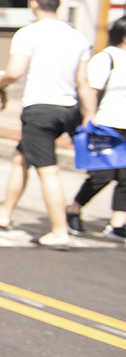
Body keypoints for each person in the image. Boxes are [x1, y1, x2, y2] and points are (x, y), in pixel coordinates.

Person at [0, 0, 91, 249]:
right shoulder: (78, 37)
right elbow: (84, 82)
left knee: (48, 172)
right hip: (69, 108)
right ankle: (3, 214)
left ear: (33, 3)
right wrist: (89, 116)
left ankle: (58, 231)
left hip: (41, 110)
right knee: (21, 157)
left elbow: (15, 71)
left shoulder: (28, 33)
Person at [65, 16, 126, 241]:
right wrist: (88, 118)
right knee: (102, 175)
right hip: (105, 125)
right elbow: (89, 90)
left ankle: (118, 223)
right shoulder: (106, 58)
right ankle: (73, 208)